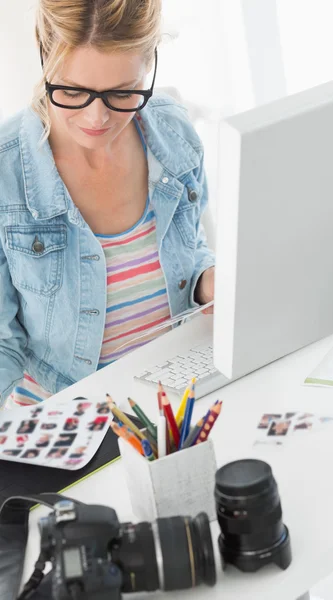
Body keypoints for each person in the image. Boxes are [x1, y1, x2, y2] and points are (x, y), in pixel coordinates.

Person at [0, 0, 215, 408]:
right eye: (73, 91)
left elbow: (191, 248)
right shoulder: (6, 170)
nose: (97, 118)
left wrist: (209, 281)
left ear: (150, 61)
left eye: (122, 92)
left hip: (181, 396)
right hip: (69, 418)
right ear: (45, 56)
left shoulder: (173, 130)